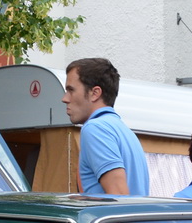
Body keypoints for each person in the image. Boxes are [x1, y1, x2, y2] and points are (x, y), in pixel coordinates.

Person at [62, 57, 148, 196]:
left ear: (95, 93)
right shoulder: (125, 131)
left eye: (71, 90)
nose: (65, 98)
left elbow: (119, 197)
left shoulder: (95, 129)